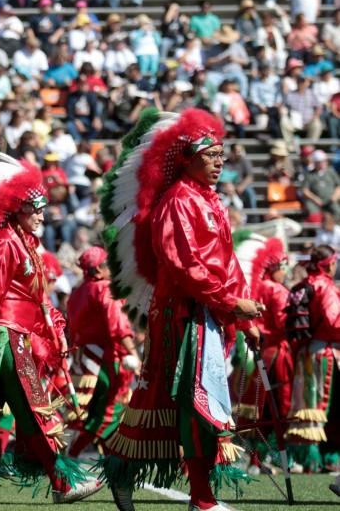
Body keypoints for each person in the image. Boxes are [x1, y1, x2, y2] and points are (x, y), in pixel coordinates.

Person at [101, 109, 261, 511]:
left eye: (222, 155)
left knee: (168, 404)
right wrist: (230, 301)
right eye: (211, 156)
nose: (220, 162)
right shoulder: (176, 202)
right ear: (188, 160)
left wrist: (240, 314)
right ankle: (201, 499)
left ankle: (132, 474)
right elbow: (184, 264)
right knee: (191, 404)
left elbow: (226, 262)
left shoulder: (211, 200)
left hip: (207, 314)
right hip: (182, 316)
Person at [0, 148, 103, 503]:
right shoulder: (6, 245)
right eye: (35, 208)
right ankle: (63, 484)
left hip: (22, 335)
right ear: (18, 208)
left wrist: (54, 325)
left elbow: (37, 297)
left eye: (43, 208)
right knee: (31, 407)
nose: (41, 215)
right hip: (7, 338)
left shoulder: (28, 244)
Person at [67, 247, 139, 458]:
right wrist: (135, 354)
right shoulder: (106, 289)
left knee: (100, 413)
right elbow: (118, 327)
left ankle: (112, 461)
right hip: (107, 361)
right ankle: (72, 453)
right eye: (109, 264)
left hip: (85, 362)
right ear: (98, 268)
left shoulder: (77, 293)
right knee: (109, 413)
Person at [231, 234, 291, 471]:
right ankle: (277, 457)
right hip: (276, 354)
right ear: (274, 267)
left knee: (258, 408)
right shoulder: (277, 290)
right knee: (278, 407)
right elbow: (284, 323)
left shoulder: (257, 287)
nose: (285, 272)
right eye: (283, 267)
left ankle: (256, 457)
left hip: (259, 352)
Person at [285, 245, 340, 478]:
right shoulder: (325, 286)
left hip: (307, 353)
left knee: (309, 405)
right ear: (329, 264)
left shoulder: (305, 285)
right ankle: (321, 458)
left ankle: (309, 456)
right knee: (325, 406)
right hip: (325, 353)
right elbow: (333, 321)